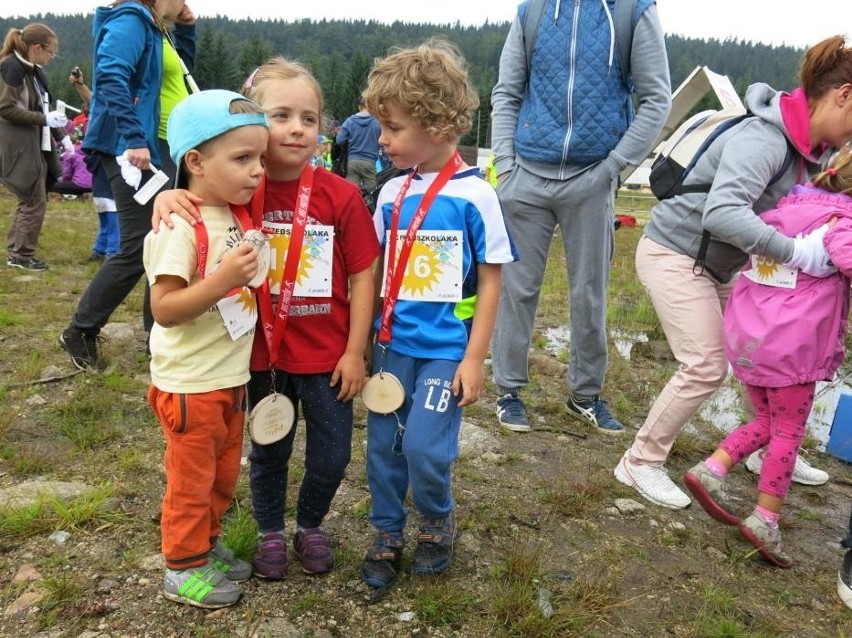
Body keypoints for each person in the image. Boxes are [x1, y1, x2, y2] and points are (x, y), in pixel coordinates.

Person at [153, 57, 381, 580]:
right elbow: (192, 194)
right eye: (280, 116)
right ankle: (270, 532)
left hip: (327, 355)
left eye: (309, 117)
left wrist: (354, 350)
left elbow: (363, 275)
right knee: (267, 450)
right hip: (259, 355)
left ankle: (311, 524)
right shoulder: (237, 191)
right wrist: (167, 194)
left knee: (332, 454)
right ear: (253, 124)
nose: (297, 128)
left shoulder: (340, 195)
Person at [615, 35, 852, 509]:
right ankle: (639, 461)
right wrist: (796, 252)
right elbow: (721, 213)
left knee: (761, 361)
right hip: (676, 254)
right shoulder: (763, 138)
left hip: (730, 267)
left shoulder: (816, 151)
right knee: (705, 364)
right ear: (844, 95)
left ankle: (767, 449)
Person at [358, 39, 517, 589]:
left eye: (393, 127)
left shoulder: (476, 197)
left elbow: (493, 279)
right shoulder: (389, 193)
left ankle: (436, 519)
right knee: (383, 445)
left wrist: (476, 358)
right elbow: (373, 272)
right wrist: (361, 343)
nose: (382, 139)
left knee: (425, 444)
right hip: (390, 347)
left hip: (446, 350)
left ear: (439, 124)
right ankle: (385, 530)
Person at [489, 0, 672, 434]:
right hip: (526, 174)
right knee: (516, 288)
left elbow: (657, 99)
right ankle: (508, 391)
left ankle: (585, 395)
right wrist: (507, 166)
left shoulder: (633, 11)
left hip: (592, 176)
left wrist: (613, 170)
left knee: (589, 293)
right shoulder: (532, 11)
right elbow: (507, 91)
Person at [681, 151, 852, 568]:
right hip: (794, 347)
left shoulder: (781, 211)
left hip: (750, 338)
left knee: (766, 421)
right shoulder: (841, 223)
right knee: (789, 432)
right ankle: (765, 519)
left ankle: (711, 470)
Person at [144, 89, 268, 608]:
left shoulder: (234, 213)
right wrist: (221, 281)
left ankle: (206, 546)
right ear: (195, 161)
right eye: (243, 159)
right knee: (191, 482)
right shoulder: (179, 224)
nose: (257, 171)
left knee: (220, 476)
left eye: (259, 158)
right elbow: (165, 308)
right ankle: (182, 568)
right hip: (190, 383)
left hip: (228, 377)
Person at [59, 0, 196, 371]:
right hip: (133, 150)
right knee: (140, 243)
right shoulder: (131, 19)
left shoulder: (156, 28)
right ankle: (80, 330)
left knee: (165, 238)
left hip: (165, 148)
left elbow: (179, 80)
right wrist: (135, 137)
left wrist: (185, 31)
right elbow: (109, 75)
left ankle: (159, 335)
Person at [0, 23, 68, 271]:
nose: (51, 57)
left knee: (30, 198)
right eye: (51, 52)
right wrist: (43, 120)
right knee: (33, 199)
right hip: (17, 143)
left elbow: (42, 107)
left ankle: (17, 252)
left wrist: (61, 134)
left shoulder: (34, 70)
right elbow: (5, 108)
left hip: (35, 141)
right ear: (37, 48)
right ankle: (20, 256)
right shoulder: (11, 67)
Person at [68, 68, 120, 261]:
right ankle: (112, 251)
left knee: (105, 210)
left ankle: (100, 248)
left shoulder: (98, 113)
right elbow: (93, 100)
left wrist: (79, 84)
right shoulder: (116, 105)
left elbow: (93, 100)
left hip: (97, 161)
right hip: (111, 158)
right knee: (114, 211)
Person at [336, 97, 382, 193]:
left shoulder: (349, 121)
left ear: (359, 107)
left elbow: (339, 140)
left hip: (352, 161)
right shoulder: (376, 123)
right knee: (372, 193)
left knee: (351, 192)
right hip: (370, 161)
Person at [51, 132, 92, 198]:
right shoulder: (93, 152)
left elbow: (67, 174)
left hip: (79, 184)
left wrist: (64, 180)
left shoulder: (70, 153)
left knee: (54, 186)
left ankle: (78, 195)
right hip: (95, 186)